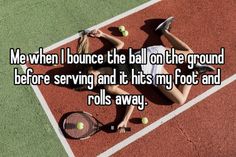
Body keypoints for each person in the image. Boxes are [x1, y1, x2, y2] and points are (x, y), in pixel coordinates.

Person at [76, 17, 215, 133]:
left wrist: (102, 35)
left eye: (90, 80)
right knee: (180, 99)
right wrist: (124, 120)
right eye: (91, 85)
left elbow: (120, 44)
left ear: (89, 72)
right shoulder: (109, 86)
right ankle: (195, 70)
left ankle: (164, 31)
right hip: (150, 73)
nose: (94, 84)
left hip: (148, 57)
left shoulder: (104, 60)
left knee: (189, 54)